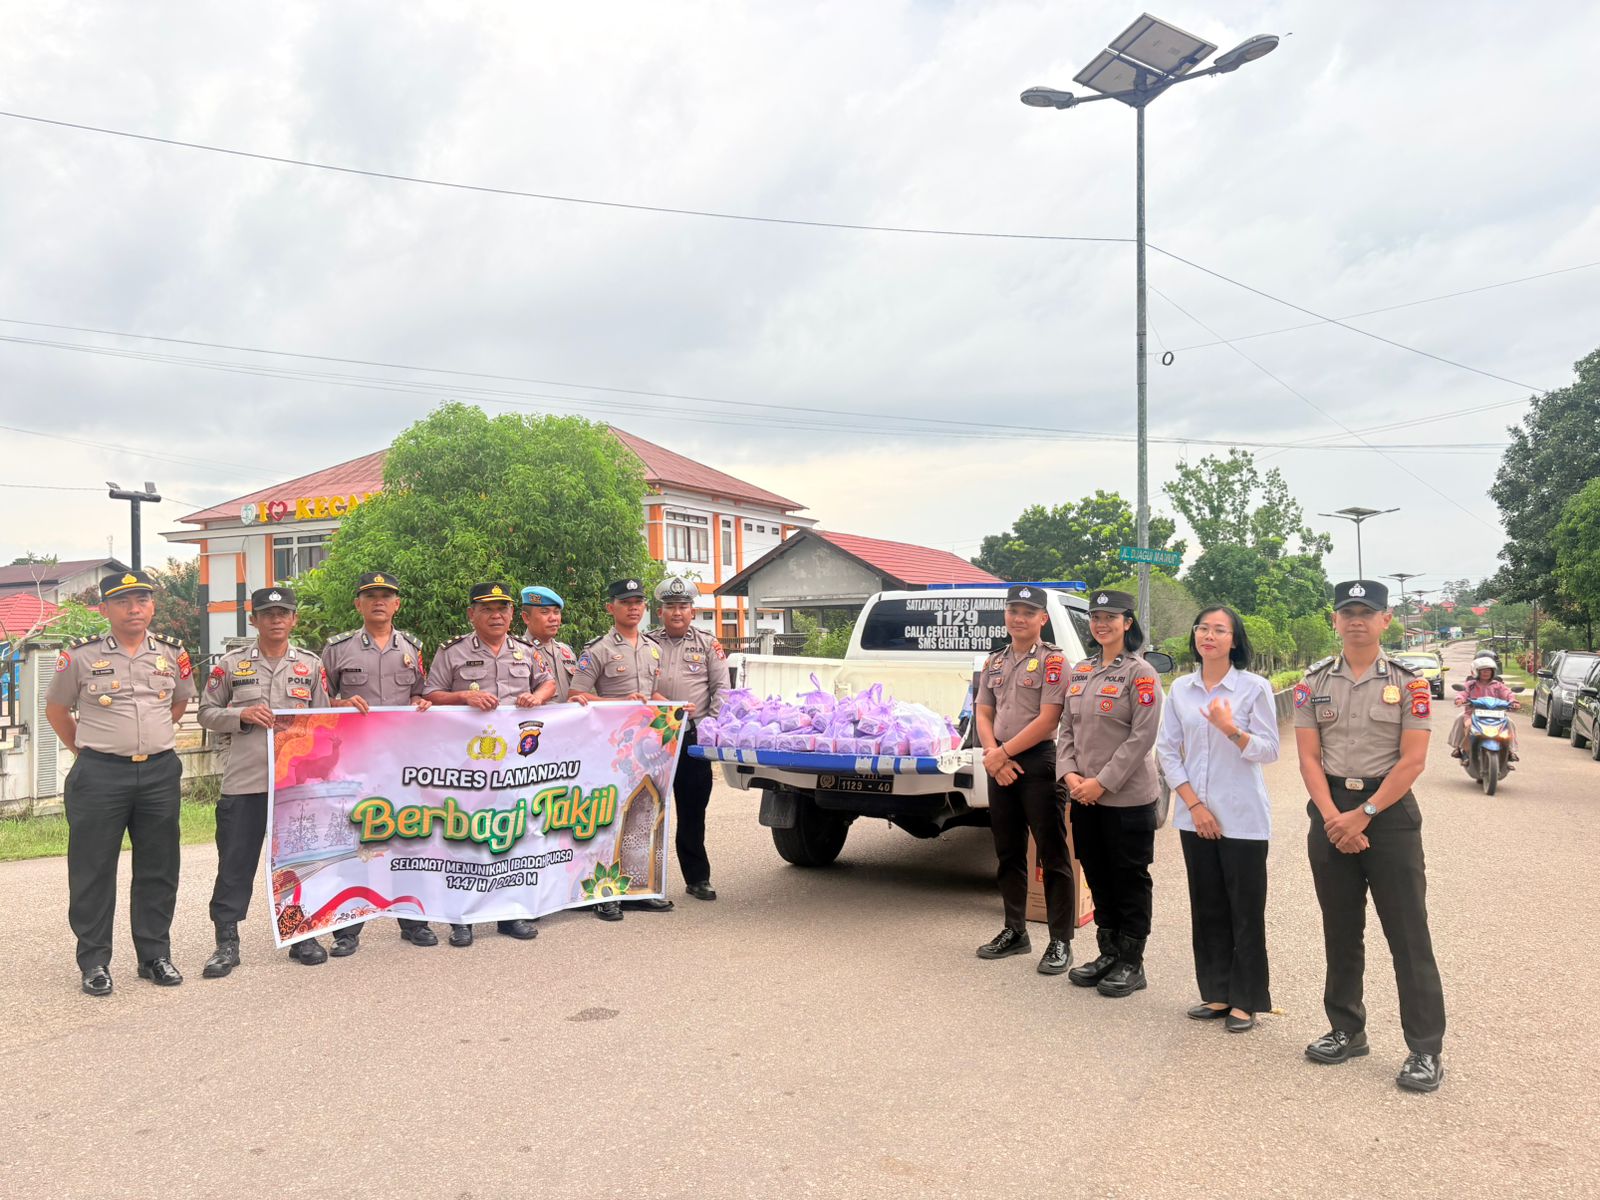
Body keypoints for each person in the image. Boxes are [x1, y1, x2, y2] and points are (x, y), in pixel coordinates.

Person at [1295, 579, 1446, 1093]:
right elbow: (1309, 758)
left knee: (1408, 934)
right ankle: (1347, 1029)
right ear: (1334, 620)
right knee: (1340, 930)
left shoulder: (1410, 684)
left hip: (1390, 813)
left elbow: (1413, 761)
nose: (1356, 620)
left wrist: (1363, 815)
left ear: (1386, 620)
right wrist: (1335, 818)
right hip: (1331, 811)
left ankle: (1424, 1048)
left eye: (1367, 612)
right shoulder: (1313, 682)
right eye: (1347, 612)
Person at [44, 569, 195, 996]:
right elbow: (56, 710)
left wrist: (149, 738)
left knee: (159, 867)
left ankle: (154, 956)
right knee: (93, 869)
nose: (134, 609)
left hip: (159, 772)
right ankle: (94, 961)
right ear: (104, 609)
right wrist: (87, 751)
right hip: (100, 775)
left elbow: (180, 701)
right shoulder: (80, 656)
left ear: (152, 606)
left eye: (142, 600)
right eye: (123, 602)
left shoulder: (172, 653)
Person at [1156, 606, 1280, 1033]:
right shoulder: (1181, 689)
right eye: (1202, 628)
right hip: (1196, 817)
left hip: (1243, 817)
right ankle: (1217, 993)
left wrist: (1232, 729)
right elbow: (1167, 750)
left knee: (1245, 909)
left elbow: (1269, 750)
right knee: (1207, 906)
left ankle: (1246, 1000)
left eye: (1219, 630)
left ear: (1234, 639)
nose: (1208, 635)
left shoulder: (1253, 688)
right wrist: (1195, 806)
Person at [198, 587, 331, 974]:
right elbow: (206, 712)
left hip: (295, 783)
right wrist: (239, 715)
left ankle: (300, 934)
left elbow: (324, 720)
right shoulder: (231, 664)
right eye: (267, 613)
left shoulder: (310, 665)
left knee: (298, 862)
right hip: (246, 781)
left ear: (294, 620)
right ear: (253, 619)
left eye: (283, 613)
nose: (276, 619)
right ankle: (227, 943)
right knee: (235, 863)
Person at [423, 581, 553, 947]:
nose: (496, 615)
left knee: (513, 835)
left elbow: (548, 684)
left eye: (502, 609)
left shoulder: (526, 651)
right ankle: (461, 918)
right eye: (487, 609)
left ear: (512, 614)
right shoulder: (452, 652)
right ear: (472, 614)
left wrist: (536, 697)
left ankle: (510, 915)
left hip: (517, 764)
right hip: (468, 763)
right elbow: (431, 693)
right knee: (466, 837)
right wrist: (463, 696)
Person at [1056, 588, 1164, 998]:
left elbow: (1142, 737)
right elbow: (1067, 729)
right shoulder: (1082, 671)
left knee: (1129, 879)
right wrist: (1070, 776)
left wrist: (1101, 783)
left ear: (1127, 623)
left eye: (1110, 618)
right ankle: (1109, 952)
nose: (1102, 624)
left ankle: (1132, 962)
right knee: (1098, 875)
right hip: (1083, 796)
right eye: (1096, 618)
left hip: (1126, 798)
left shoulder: (1141, 673)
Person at [321, 571, 434, 952]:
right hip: (355, 762)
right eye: (371, 596)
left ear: (397, 604)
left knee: (409, 837)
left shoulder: (413, 648)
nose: (379, 602)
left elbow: (421, 692)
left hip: (403, 762)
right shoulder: (338, 649)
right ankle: (347, 928)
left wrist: (420, 701)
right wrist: (340, 703)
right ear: (359, 604)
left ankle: (414, 922)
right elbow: (317, 701)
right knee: (355, 840)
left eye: (386, 596)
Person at [972, 585, 1074, 974]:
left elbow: (1049, 719)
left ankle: (1060, 940)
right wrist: (993, 754)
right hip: (999, 761)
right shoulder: (994, 661)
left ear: (1042, 619)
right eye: (1013, 610)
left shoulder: (1053, 662)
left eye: (1028, 612)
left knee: (1052, 853)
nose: (1019, 618)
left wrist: (1003, 754)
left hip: (1038, 762)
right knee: (1008, 850)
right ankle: (1015, 931)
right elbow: (984, 712)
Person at [569, 576, 677, 921]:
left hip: (646, 749)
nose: (633, 608)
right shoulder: (597, 650)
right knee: (607, 818)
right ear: (610, 607)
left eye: (638, 603)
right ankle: (603, 894)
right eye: (626, 603)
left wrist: (674, 706)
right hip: (609, 748)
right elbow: (576, 695)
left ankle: (638, 888)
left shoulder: (652, 648)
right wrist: (618, 704)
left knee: (644, 815)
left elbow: (651, 694)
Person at [647, 575, 730, 901]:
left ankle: (697, 878)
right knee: (646, 809)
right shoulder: (646, 644)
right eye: (670, 606)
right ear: (660, 612)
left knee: (692, 812)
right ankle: (643, 884)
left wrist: (709, 728)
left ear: (692, 611)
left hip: (693, 738)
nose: (677, 612)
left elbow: (722, 691)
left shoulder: (708, 644)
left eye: (683, 606)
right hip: (653, 736)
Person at [1449, 655, 1519, 760]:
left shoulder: (1498, 685)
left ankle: (1510, 750)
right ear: (1476, 671)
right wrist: (1460, 699)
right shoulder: (1470, 684)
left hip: (1497, 715)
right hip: (1472, 714)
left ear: (1493, 672)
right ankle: (1459, 748)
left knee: (1509, 723)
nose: (1486, 673)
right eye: (1483, 670)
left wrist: (1513, 702)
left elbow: (1507, 693)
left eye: (1489, 670)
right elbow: (1462, 693)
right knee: (1462, 721)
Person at [520, 586, 578, 703]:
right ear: (526, 618)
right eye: (545, 612)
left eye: (556, 612)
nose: (553, 618)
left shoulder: (565, 651)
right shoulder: (518, 652)